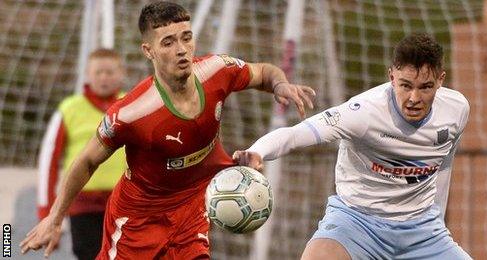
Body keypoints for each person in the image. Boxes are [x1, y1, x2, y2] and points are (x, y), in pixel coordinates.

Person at [20, 1, 315, 259]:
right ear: (148, 51)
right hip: (138, 220)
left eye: (186, 38)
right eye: (168, 42)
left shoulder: (217, 70)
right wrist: (55, 218)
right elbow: (86, 161)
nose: (181, 50)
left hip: (191, 211)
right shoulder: (130, 113)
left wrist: (281, 85)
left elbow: (262, 72)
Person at [234, 33, 471, 259]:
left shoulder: (456, 110)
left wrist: (437, 219)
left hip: (421, 230)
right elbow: (295, 135)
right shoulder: (363, 113)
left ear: (441, 80)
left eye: (425, 87)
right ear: (391, 78)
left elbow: (443, 164)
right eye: (405, 86)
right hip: (357, 222)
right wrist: (257, 151)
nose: (413, 98)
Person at [36, 48, 127, 260]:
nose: (104, 77)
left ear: (122, 73)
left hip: (124, 203)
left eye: (110, 72)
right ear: (87, 74)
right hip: (82, 203)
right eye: (98, 72)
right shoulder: (69, 109)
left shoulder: (131, 105)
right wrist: (47, 214)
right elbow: (47, 163)